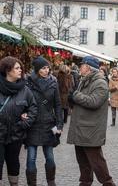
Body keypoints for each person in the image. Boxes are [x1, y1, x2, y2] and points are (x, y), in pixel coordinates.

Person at [67, 56, 116, 186]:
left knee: (97, 163)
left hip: (90, 130)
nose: (79, 67)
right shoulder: (84, 80)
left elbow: (94, 102)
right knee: (83, 163)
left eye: (81, 65)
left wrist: (75, 96)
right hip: (81, 128)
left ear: (88, 67)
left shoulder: (100, 83)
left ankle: (108, 184)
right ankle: (85, 183)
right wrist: (71, 99)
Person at [25, 56, 63, 186]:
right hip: (32, 124)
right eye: (43, 68)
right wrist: (23, 114)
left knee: (50, 157)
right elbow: (24, 102)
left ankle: (51, 182)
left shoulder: (53, 82)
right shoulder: (28, 83)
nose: (47, 70)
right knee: (31, 158)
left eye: (47, 67)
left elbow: (58, 105)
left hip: (48, 124)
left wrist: (59, 124)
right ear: (37, 69)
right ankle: (32, 183)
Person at [0, 56, 37, 186]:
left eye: (20, 67)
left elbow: (33, 108)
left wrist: (24, 123)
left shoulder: (25, 90)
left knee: (13, 164)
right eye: (17, 68)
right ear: (7, 70)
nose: (20, 70)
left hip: (16, 135)